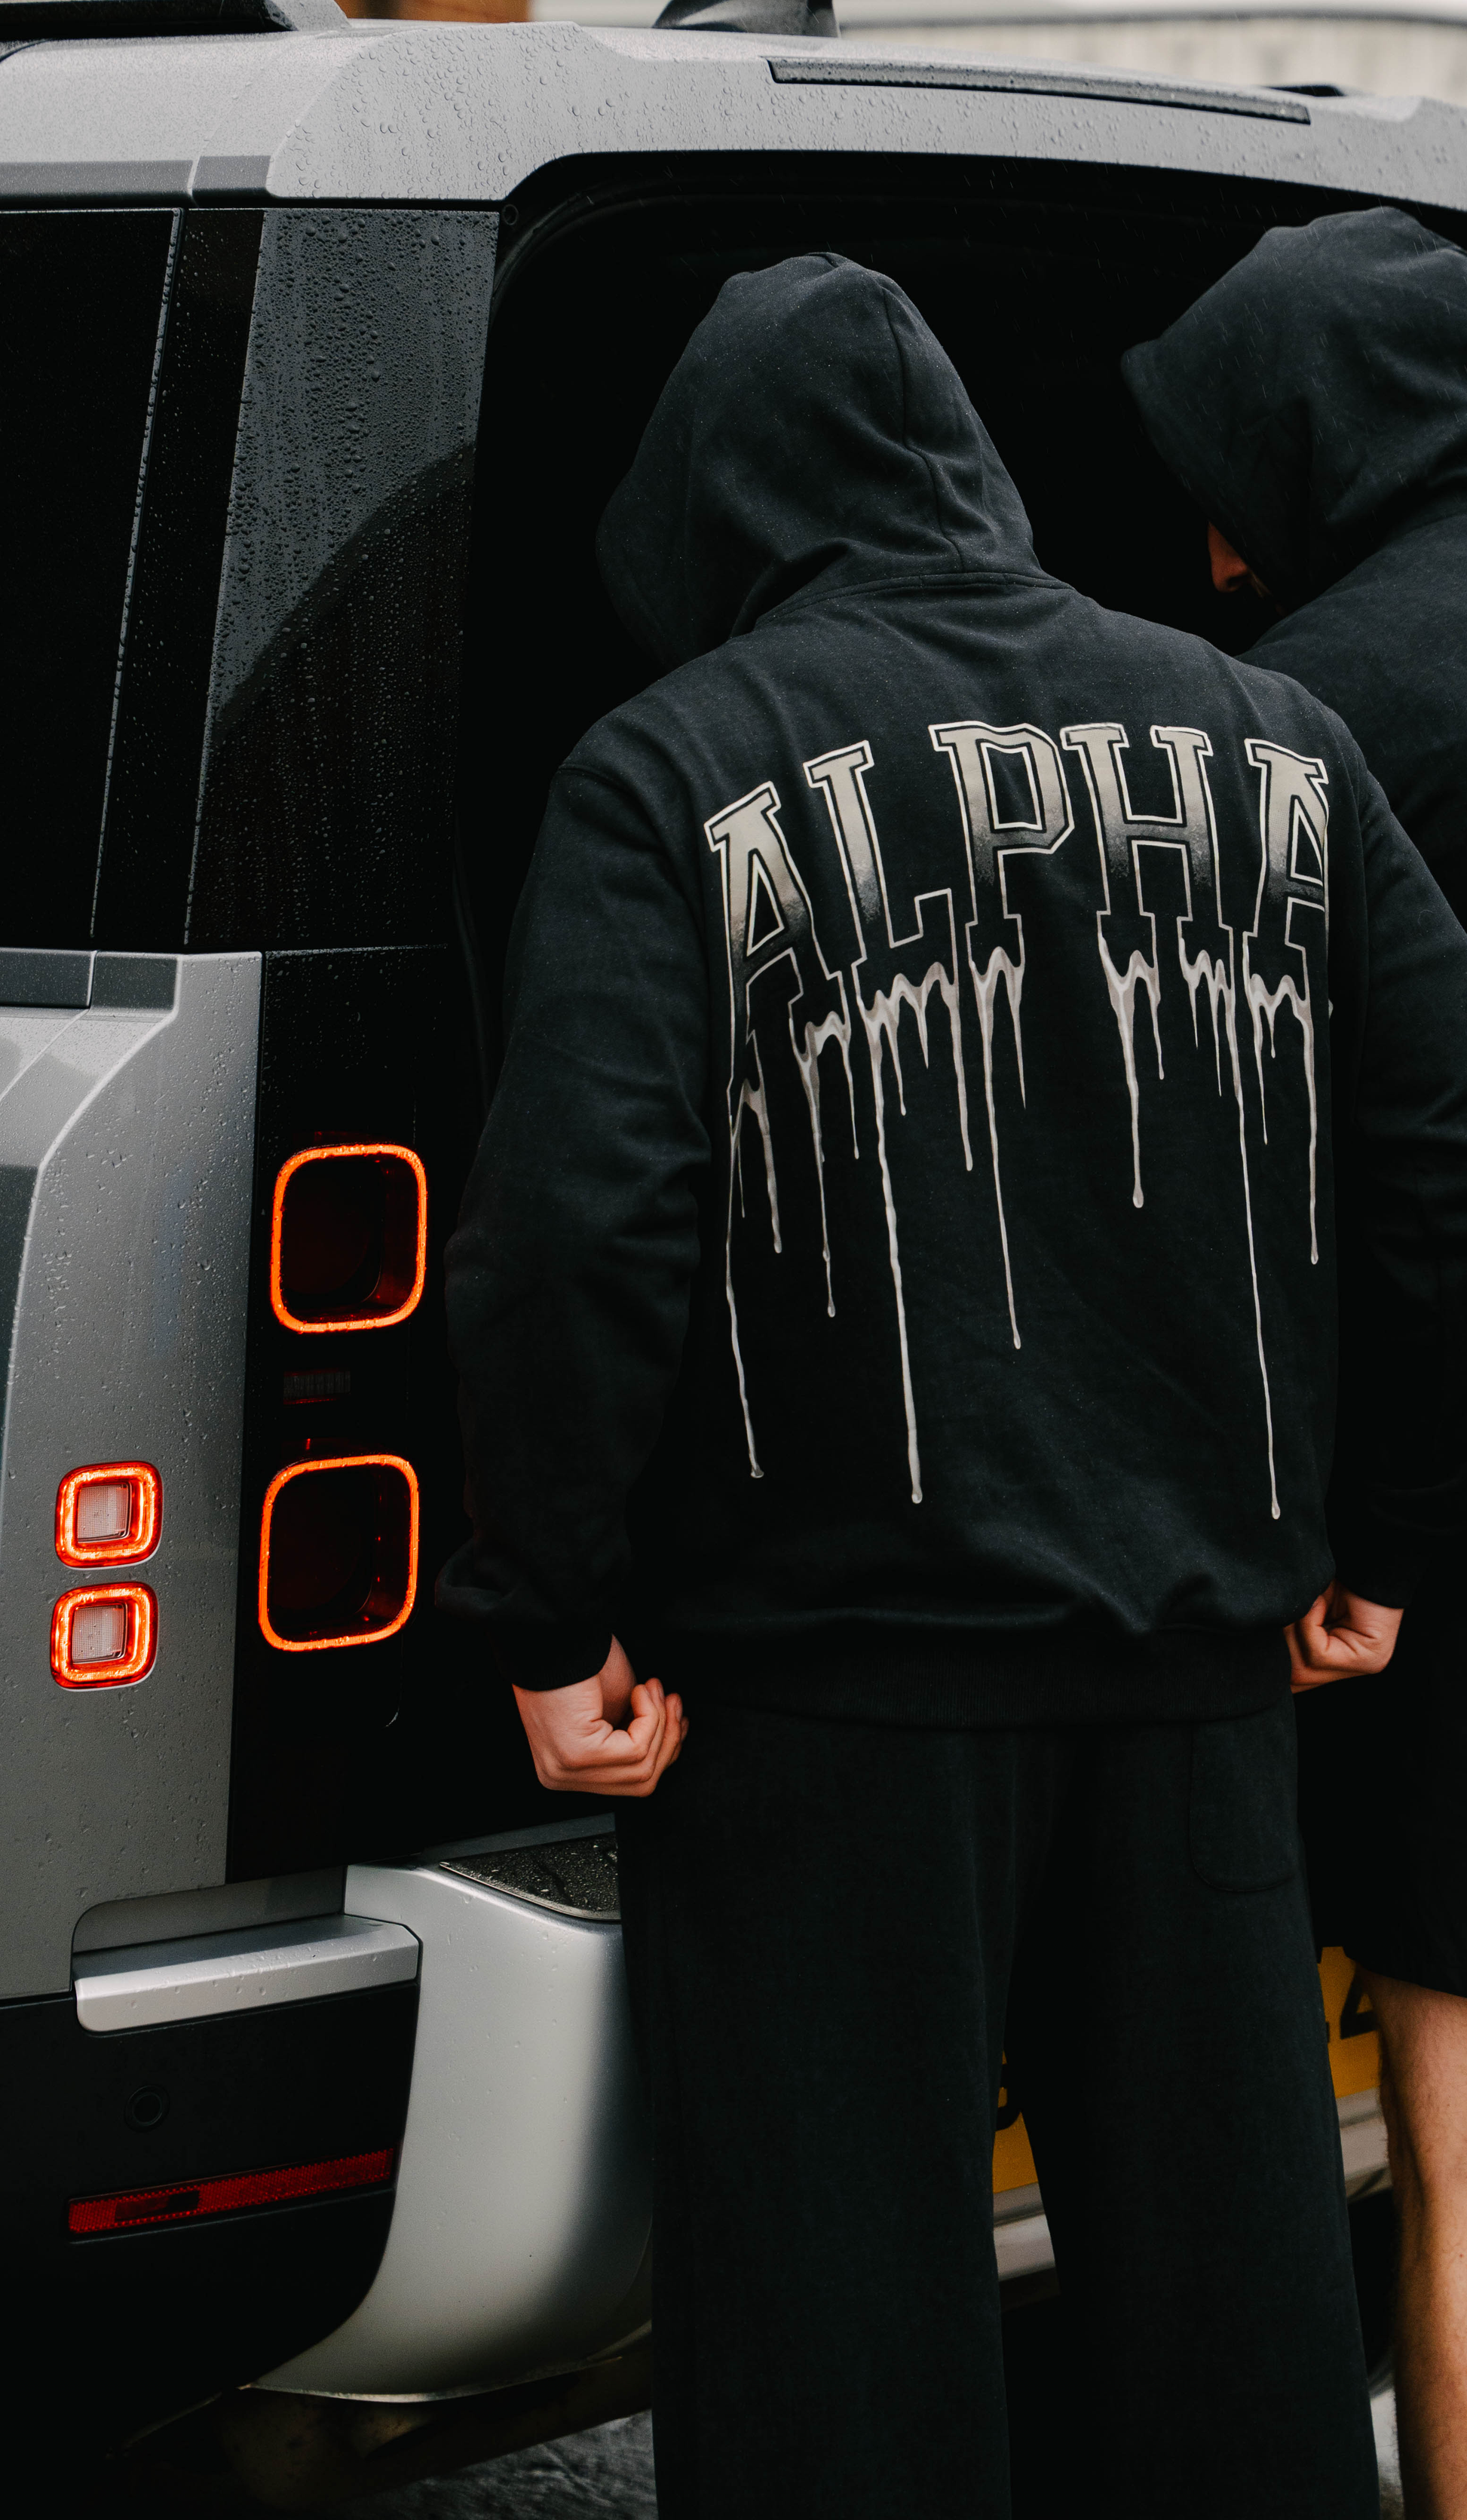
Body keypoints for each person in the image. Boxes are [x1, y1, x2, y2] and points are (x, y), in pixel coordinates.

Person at [440, 252, 1467, 2518]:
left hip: (825, 1717)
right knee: (1235, 2357)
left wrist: (552, 1615)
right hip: (1199, 1691)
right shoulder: (1275, 746)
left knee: (844, 2366)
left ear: (711, 507)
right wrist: (1389, 1535)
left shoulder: (671, 770)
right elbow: (1442, 1149)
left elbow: (580, 1227)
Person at [1124, 211, 1467, 2518]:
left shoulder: (1307, 712)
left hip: (1433, 1511)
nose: (1215, 552)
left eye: (1229, 483)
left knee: (1460, 2142)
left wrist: (1357, 1537)